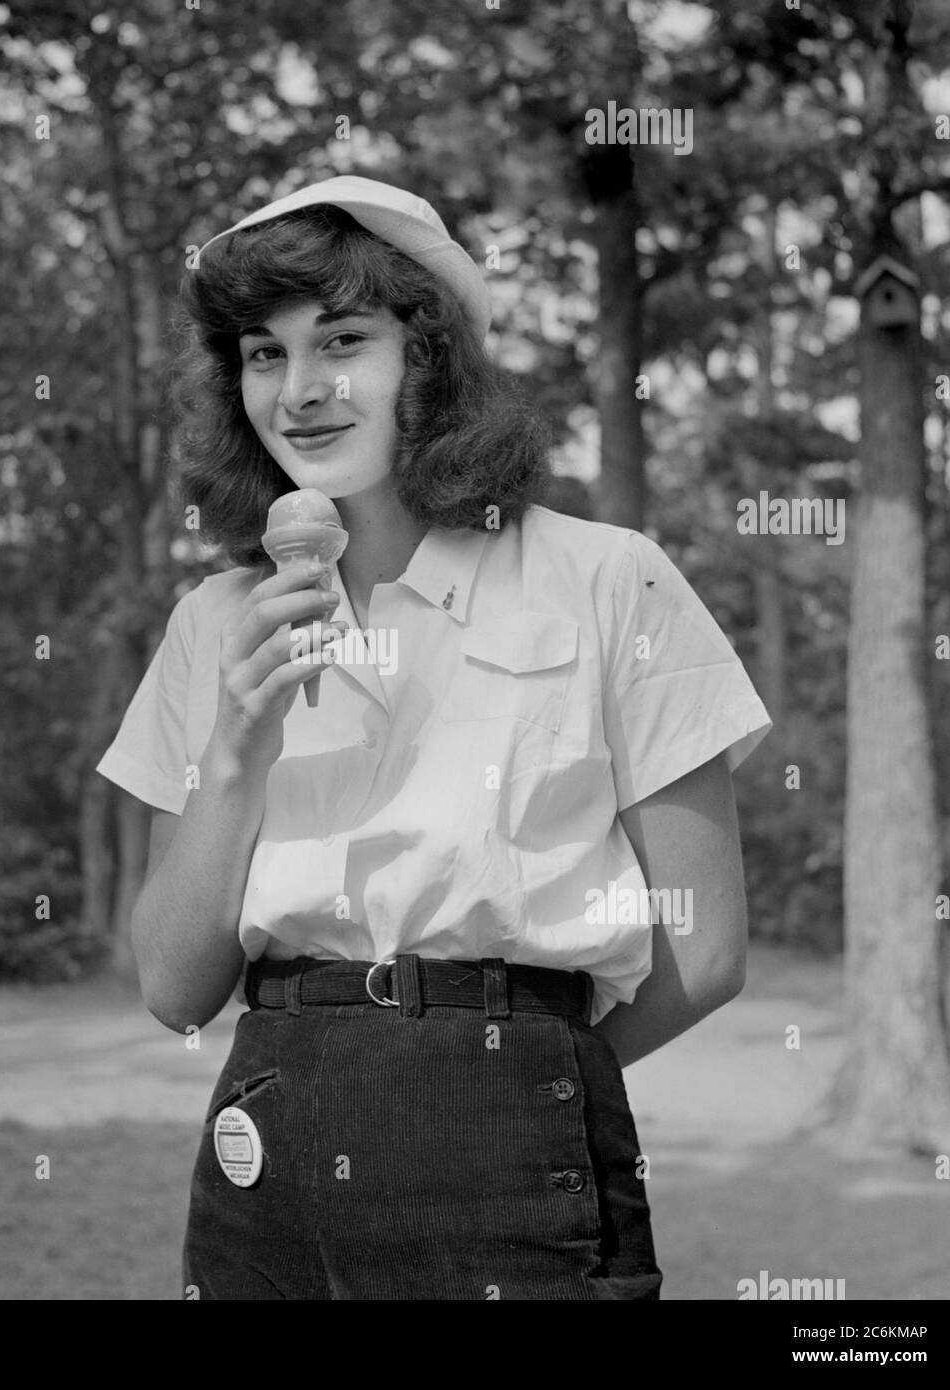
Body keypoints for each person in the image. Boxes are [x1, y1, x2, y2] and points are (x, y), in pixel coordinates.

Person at [96, 174, 772, 1300]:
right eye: (265, 353)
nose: (301, 390)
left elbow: (704, 953)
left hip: (517, 1138)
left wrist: (519, 1080)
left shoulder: (608, 578)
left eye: (344, 341)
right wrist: (236, 758)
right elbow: (174, 987)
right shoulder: (215, 621)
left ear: (430, 357)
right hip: (262, 1157)